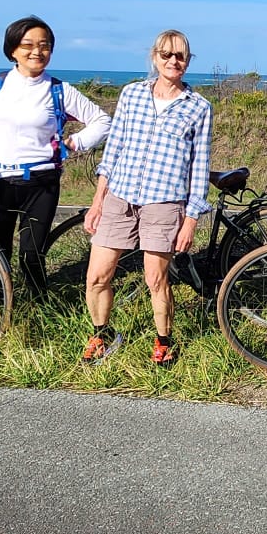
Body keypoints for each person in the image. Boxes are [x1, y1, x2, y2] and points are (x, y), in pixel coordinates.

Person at [0, 15, 111, 293]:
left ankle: (36, 312)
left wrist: (73, 143)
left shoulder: (59, 89)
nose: (36, 51)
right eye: (27, 44)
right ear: (12, 49)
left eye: (44, 45)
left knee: (31, 253)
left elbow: (102, 121)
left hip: (42, 183)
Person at [81, 30, 213, 365]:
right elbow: (113, 151)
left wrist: (191, 220)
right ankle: (101, 334)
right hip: (120, 198)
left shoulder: (198, 107)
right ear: (154, 57)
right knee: (97, 275)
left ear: (188, 60)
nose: (173, 61)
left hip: (164, 203)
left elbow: (200, 167)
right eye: (166, 55)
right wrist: (97, 202)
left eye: (180, 56)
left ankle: (163, 341)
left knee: (156, 278)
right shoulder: (131, 95)